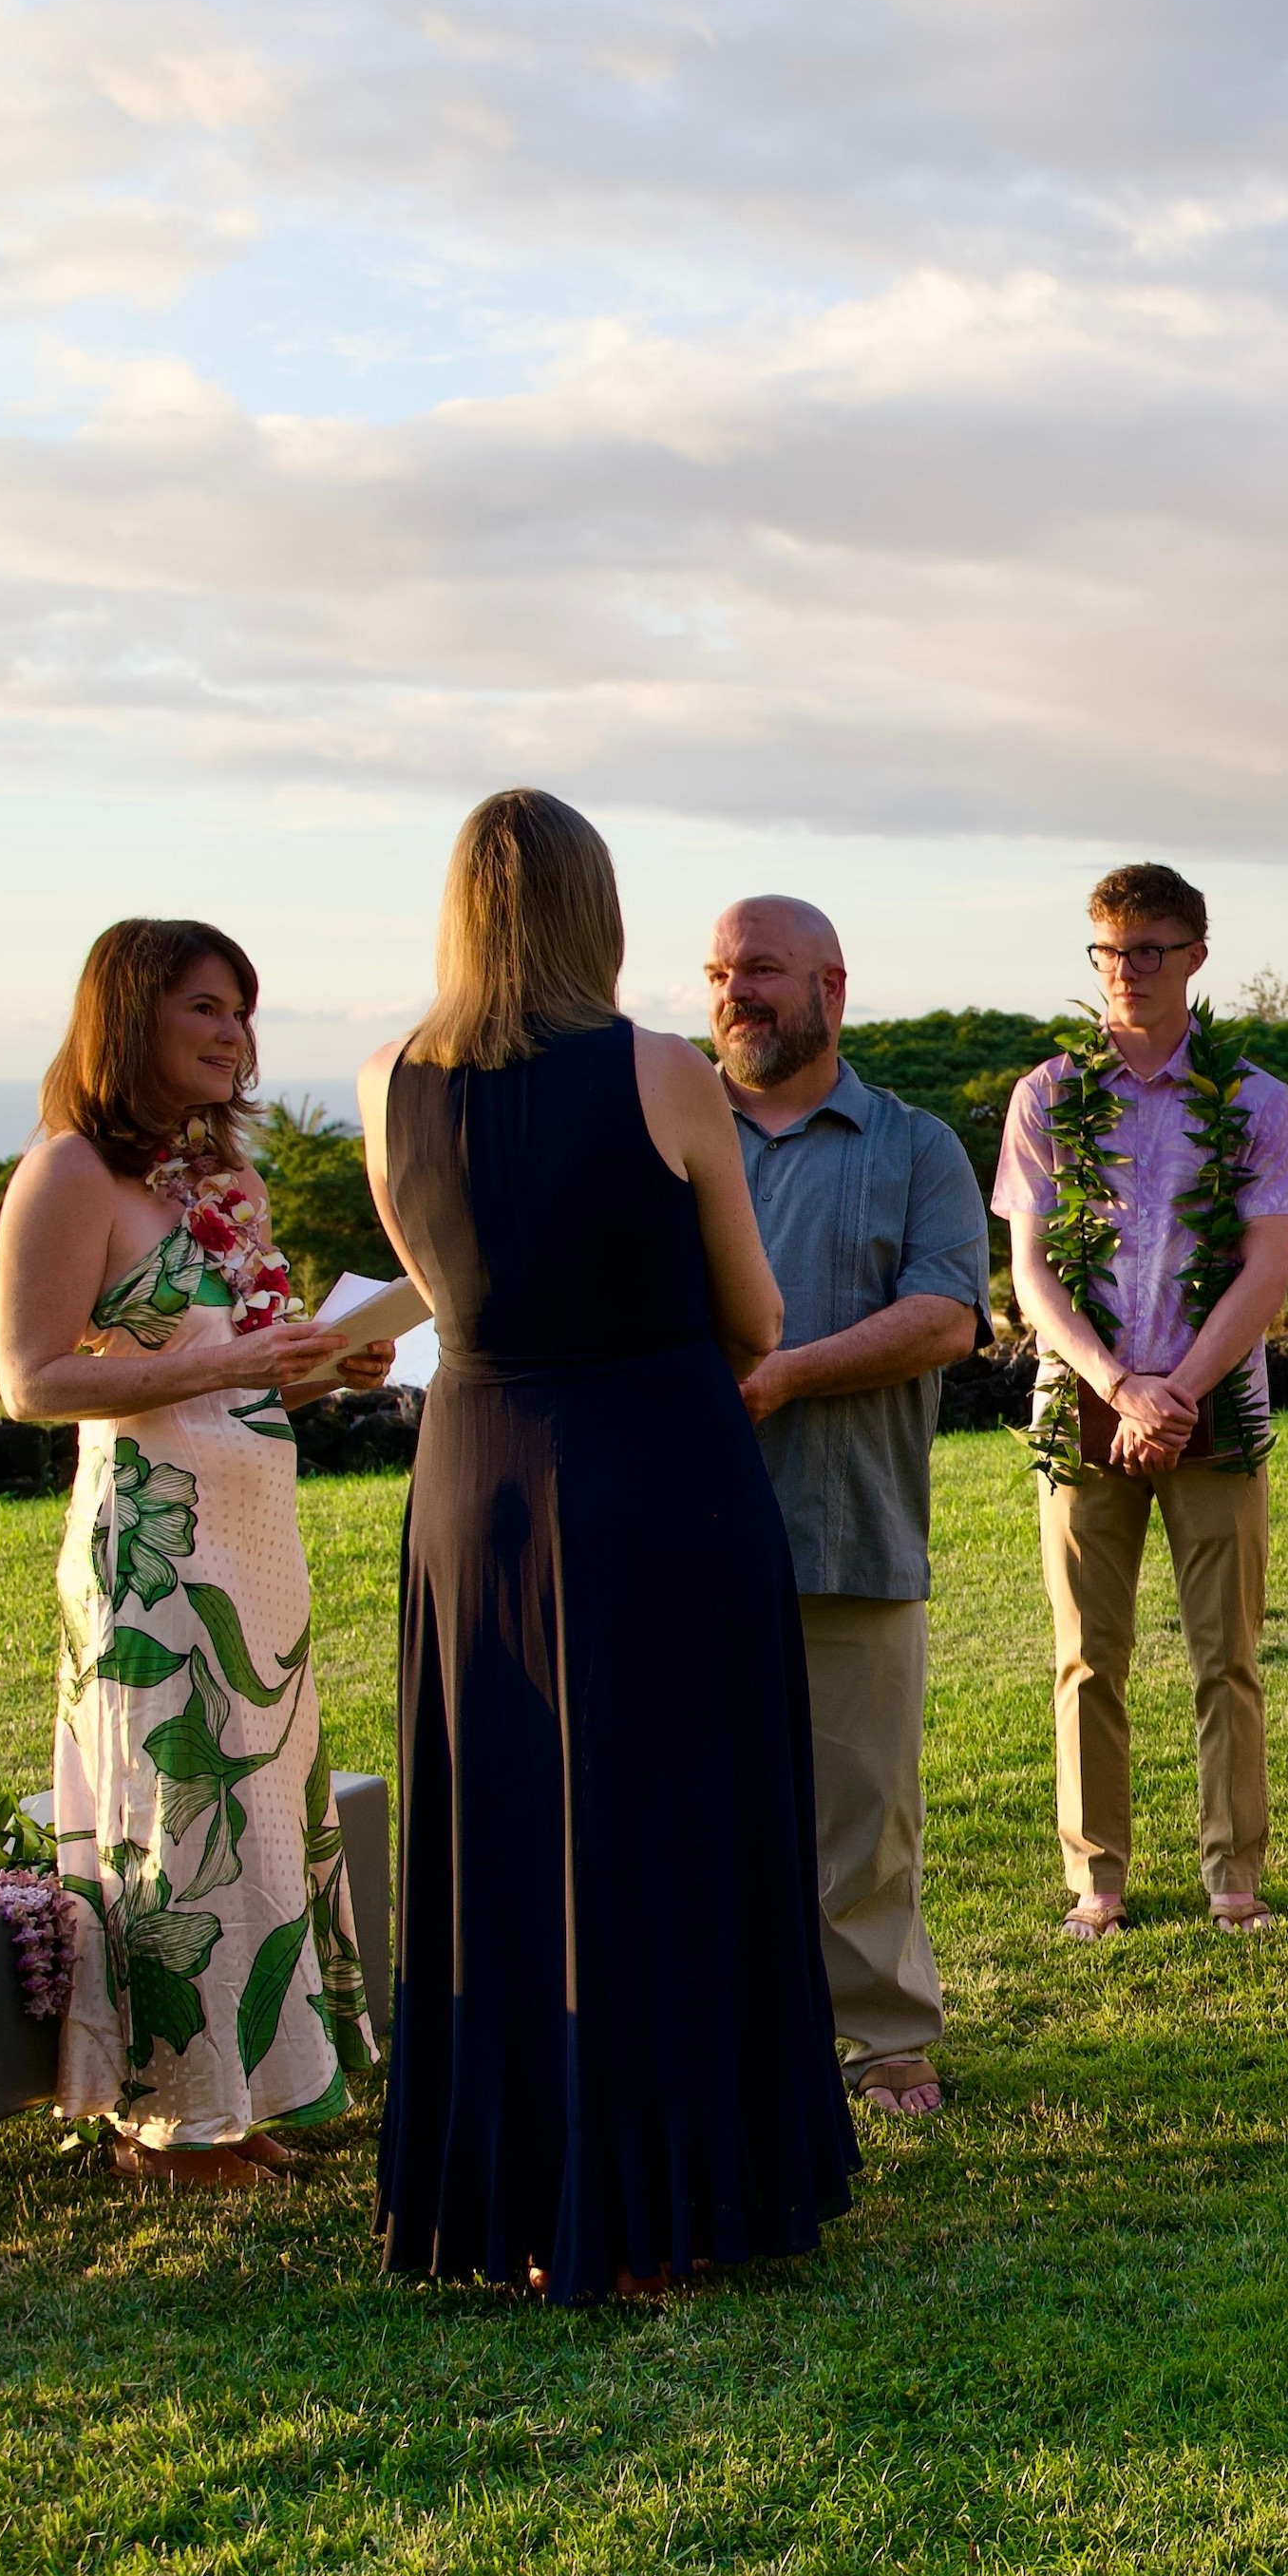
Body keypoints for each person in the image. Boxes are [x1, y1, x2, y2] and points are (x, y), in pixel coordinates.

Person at [358, 789, 858, 2301]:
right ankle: (674, 2196)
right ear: (600, 908)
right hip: (655, 1473)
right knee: (668, 1822)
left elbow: (441, 1283)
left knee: (504, 1824)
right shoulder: (663, 1073)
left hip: (475, 1478)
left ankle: (512, 2195)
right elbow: (756, 1316)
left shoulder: (387, 1077)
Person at [0, 918, 395, 2185]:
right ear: (131, 1019)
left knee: (262, 1809)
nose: (234, 1036)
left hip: (254, 1537)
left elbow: (247, 1381)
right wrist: (235, 1358)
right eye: (206, 1009)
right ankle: (166, 2126)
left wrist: (333, 1367)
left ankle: (253, 2096)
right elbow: (31, 1379)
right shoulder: (66, 1174)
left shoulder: (225, 1186)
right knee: (177, 1819)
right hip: (151, 1551)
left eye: (241, 1012)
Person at [709, 895, 991, 2119]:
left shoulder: (912, 1144)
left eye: (761, 970)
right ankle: (717, 2027)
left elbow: (946, 1314)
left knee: (862, 1810)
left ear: (831, 985)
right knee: (700, 1797)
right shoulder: (671, 1140)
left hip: (852, 1521)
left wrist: (781, 1375)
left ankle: (879, 2039)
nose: (735, 993)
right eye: (718, 972)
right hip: (686, 1531)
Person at [993, 862, 1288, 1936]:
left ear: (1194, 957)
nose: (1126, 970)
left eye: (1148, 949)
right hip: (1080, 1399)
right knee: (1087, 1651)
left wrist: (1174, 1390)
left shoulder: (1258, 1101)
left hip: (1217, 1406)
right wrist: (1122, 1383)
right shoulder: (1048, 1094)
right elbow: (1030, 1272)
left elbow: (1265, 1272)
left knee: (1228, 1652)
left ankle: (1233, 1874)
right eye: (1109, 950)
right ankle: (1098, 1878)